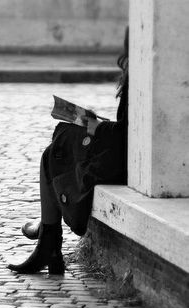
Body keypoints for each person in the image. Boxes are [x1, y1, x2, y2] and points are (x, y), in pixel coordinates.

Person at [8, 27, 129, 274]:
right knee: (62, 138)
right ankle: (48, 239)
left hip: (124, 161)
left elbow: (131, 134)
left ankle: (48, 239)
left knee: (58, 146)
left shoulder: (143, 75)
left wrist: (97, 128)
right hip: (123, 153)